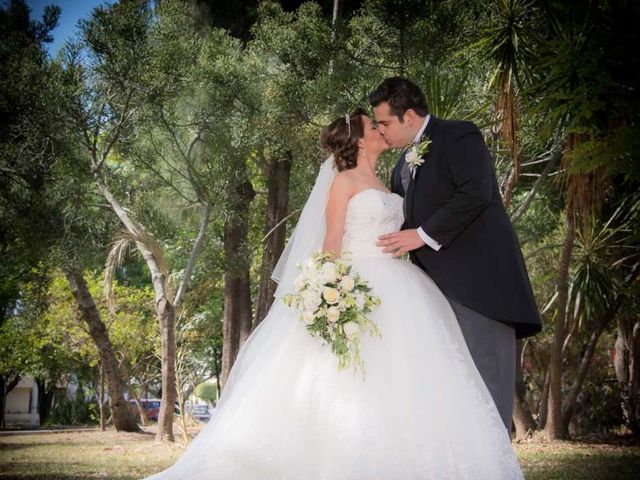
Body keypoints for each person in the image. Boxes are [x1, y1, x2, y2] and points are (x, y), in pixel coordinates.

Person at [143, 109, 524, 480]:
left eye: (380, 123)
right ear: (358, 140)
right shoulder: (343, 182)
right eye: (371, 126)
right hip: (357, 282)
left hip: (403, 286)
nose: (379, 129)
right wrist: (330, 289)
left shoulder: (392, 181)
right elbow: (332, 240)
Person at [370, 77, 542, 430]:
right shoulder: (399, 167)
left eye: (385, 122)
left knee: (488, 393)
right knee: (454, 397)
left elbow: (475, 194)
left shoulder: (459, 136)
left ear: (411, 116)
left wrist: (421, 235)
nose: (381, 131)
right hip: (430, 300)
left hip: (480, 291)